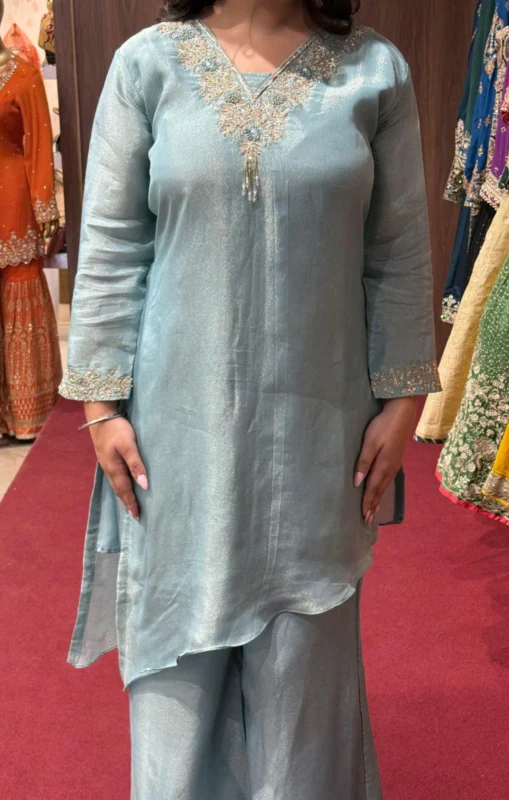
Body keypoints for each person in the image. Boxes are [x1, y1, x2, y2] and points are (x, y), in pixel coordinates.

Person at [60, 0, 440, 796]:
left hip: (320, 436)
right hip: (174, 437)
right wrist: (100, 406)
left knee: (305, 671)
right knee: (176, 672)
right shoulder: (147, 66)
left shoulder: (374, 72)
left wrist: (404, 400)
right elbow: (113, 244)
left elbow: (398, 247)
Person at [0, 0, 62, 440]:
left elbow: (39, 143)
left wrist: (45, 213)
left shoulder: (22, 73)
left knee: (18, 290)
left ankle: (26, 414)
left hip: (14, 205)